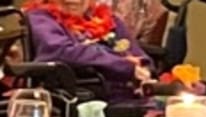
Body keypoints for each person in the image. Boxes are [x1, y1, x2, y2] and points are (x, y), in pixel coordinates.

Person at [24, 0, 154, 101]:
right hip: (83, 97)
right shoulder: (40, 18)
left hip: (130, 96)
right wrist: (123, 66)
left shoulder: (109, 20)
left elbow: (139, 56)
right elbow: (60, 51)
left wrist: (145, 72)